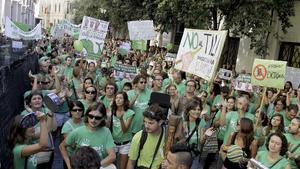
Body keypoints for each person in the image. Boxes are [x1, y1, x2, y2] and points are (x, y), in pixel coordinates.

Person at [60, 102, 116, 169]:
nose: (93, 120)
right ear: (87, 115)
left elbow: (112, 156)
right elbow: (62, 146)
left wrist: (94, 167)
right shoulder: (77, 132)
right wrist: (69, 166)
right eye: (91, 116)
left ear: (103, 118)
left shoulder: (106, 132)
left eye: (97, 117)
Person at [127, 104, 165, 169]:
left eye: (150, 123)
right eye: (145, 122)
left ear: (160, 122)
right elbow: (131, 163)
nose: (146, 126)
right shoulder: (139, 137)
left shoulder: (168, 135)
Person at [109, 92, 135, 169]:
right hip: (113, 142)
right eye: (116, 98)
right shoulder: (112, 111)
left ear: (125, 100)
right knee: (111, 165)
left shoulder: (130, 113)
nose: (118, 100)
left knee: (122, 167)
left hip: (125, 143)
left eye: (120, 98)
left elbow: (125, 130)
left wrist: (121, 119)